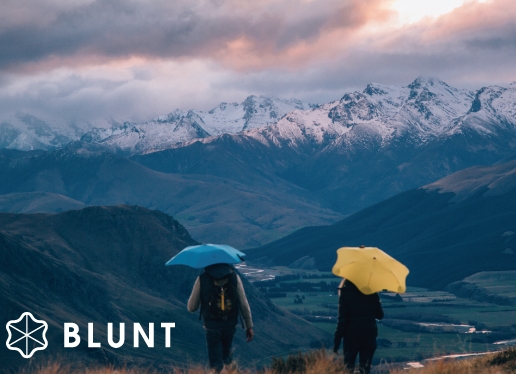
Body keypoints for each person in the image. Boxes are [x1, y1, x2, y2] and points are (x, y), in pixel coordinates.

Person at [188, 263, 253, 373]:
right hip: (230, 324)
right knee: (227, 355)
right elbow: (243, 303)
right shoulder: (234, 277)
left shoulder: (202, 279)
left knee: (215, 360)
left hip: (211, 326)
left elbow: (191, 307)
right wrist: (249, 326)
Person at [333, 278, 384, 374]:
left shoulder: (345, 293)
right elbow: (380, 315)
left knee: (348, 369)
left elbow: (341, 321)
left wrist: (336, 343)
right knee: (365, 370)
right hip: (369, 336)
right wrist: (377, 300)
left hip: (351, 338)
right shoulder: (372, 293)